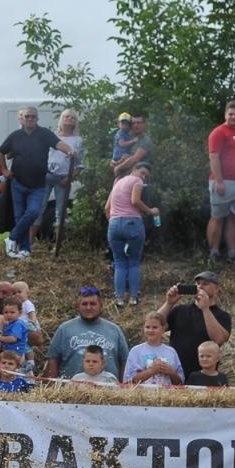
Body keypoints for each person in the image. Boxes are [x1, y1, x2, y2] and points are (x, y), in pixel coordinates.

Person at [0, 106, 77, 259]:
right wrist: (5, 171)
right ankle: (25, 249)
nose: (30, 119)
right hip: (18, 183)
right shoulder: (15, 136)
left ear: (37, 118)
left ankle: (12, 238)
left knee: (33, 213)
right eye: (27, 117)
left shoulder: (45, 134)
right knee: (20, 217)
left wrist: (69, 151)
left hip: (38, 184)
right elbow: (0, 152)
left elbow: (59, 144)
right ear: (21, 119)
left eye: (33, 117)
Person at [155, 270, 233, 380]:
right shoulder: (180, 310)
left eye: (205, 284)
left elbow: (219, 339)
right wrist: (169, 303)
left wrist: (205, 309)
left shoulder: (222, 316)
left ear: (216, 289)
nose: (200, 286)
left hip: (203, 375)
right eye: (198, 283)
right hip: (174, 372)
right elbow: (154, 325)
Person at [44, 286, 130, 381]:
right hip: (73, 390)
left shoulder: (114, 330)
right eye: (84, 304)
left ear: (101, 305)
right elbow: (53, 359)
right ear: (78, 306)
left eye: (93, 304)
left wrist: (124, 386)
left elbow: (125, 361)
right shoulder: (64, 329)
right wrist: (50, 387)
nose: (88, 307)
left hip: (108, 391)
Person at [104, 160, 159, 307]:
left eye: (145, 176)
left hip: (114, 224)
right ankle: (134, 297)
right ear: (134, 169)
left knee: (119, 262)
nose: (143, 177)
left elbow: (106, 208)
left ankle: (119, 298)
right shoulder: (136, 180)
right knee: (134, 262)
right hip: (132, 223)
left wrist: (113, 222)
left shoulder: (118, 182)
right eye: (142, 173)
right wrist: (150, 211)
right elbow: (135, 201)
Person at [205, 100, 235, 263]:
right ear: (225, 114)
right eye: (230, 114)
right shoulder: (218, 132)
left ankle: (232, 253)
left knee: (233, 218)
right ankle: (213, 252)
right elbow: (214, 156)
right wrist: (219, 181)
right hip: (224, 181)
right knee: (217, 217)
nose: (233, 117)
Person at [37, 109, 84, 245]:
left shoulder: (78, 140)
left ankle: (57, 244)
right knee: (39, 207)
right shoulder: (52, 137)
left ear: (75, 122)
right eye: (66, 116)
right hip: (47, 175)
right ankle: (30, 242)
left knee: (60, 212)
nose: (69, 119)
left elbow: (80, 164)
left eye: (72, 117)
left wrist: (70, 178)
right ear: (61, 119)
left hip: (63, 178)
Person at [123, 314, 184, 388]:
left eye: (155, 327)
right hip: (141, 396)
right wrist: (151, 371)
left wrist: (171, 373)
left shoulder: (171, 352)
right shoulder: (136, 351)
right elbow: (127, 381)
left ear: (163, 329)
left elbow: (181, 383)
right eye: (147, 327)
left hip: (166, 396)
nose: (150, 330)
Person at [111, 111, 154, 178]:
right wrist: (117, 161)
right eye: (133, 123)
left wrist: (118, 168)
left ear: (144, 124)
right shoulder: (129, 138)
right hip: (126, 175)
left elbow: (135, 159)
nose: (136, 125)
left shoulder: (146, 141)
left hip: (139, 176)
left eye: (138, 123)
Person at [0, 297, 30, 362]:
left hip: (15, 354)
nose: (9, 315)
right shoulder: (11, 323)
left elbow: (13, 339)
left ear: (20, 313)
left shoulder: (18, 324)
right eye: (6, 312)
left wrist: (0, 337)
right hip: (10, 352)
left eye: (12, 312)